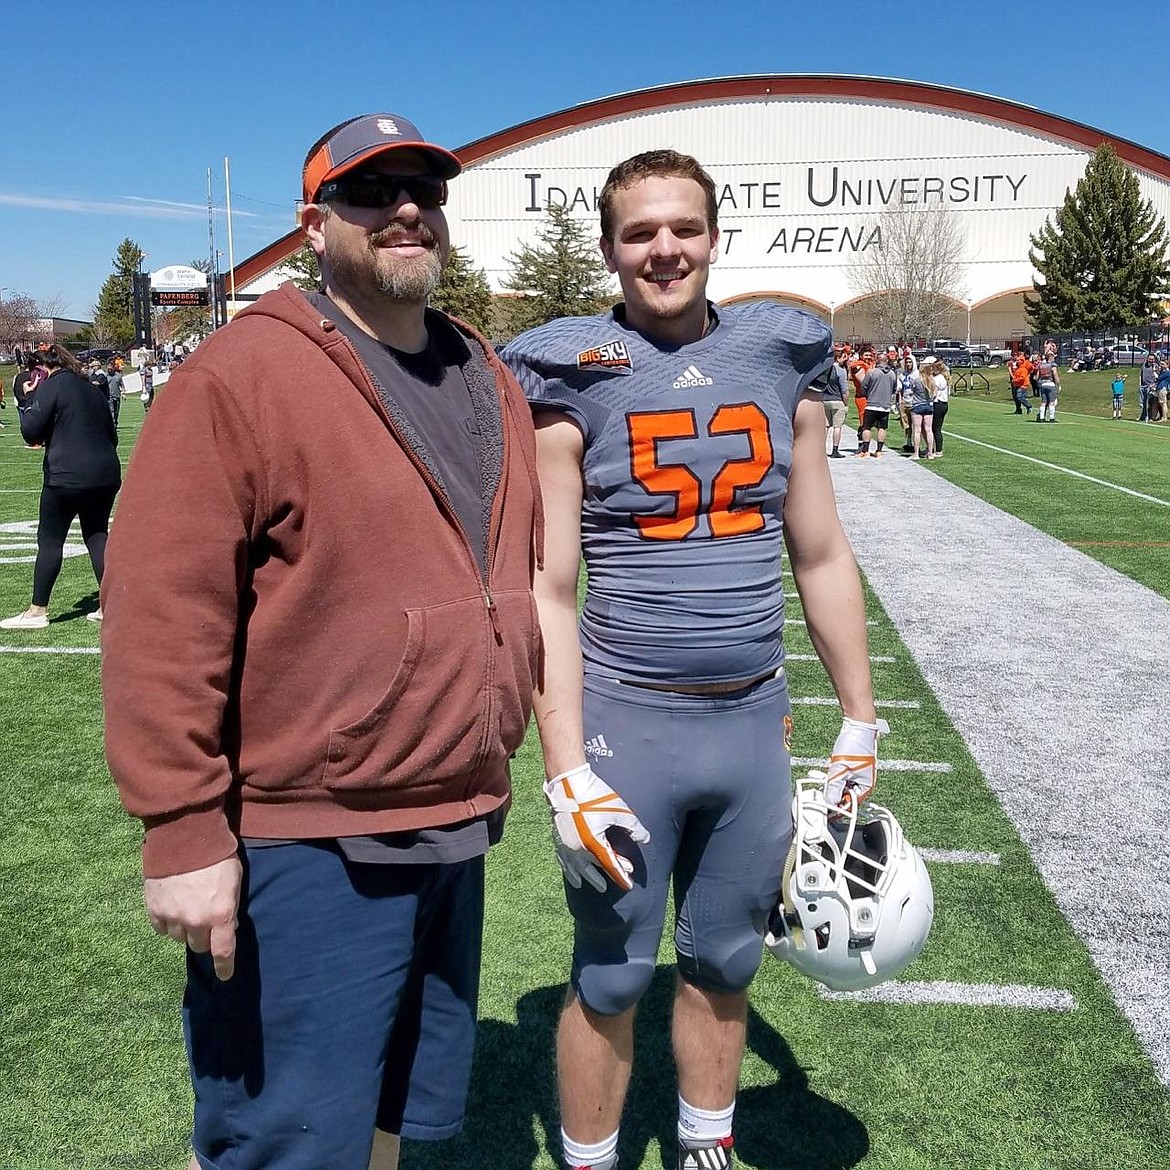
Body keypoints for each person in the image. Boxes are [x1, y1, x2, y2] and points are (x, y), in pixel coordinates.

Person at [99, 112, 541, 1170]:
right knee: (287, 1140)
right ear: (314, 224)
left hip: (454, 813)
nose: (403, 209)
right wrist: (181, 830)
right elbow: (163, 610)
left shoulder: (483, 370)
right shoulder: (241, 375)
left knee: (395, 1121)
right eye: (370, 190)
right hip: (310, 839)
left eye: (422, 190)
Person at [502, 149, 885, 1170]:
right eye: (639, 233)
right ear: (608, 249)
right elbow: (549, 586)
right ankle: (591, 1159)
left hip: (753, 720)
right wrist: (565, 764)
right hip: (631, 720)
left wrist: (859, 715)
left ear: (715, 237)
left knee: (723, 965)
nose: (663, 249)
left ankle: (704, 1147)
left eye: (682, 228)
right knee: (613, 974)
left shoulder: (780, 354)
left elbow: (820, 548)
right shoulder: (570, 369)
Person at [0, 343, 120, 629]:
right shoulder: (91, 388)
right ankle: (110, 605)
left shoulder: (51, 387)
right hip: (105, 473)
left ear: (40, 371)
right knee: (96, 535)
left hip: (66, 476)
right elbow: (111, 435)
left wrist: (30, 399)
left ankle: (37, 610)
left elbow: (31, 432)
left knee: (50, 541)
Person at [857, 348, 896, 457]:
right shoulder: (892, 374)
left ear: (877, 361)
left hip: (872, 404)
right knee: (882, 428)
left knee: (867, 427)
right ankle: (879, 450)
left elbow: (863, 387)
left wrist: (868, 394)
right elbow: (894, 389)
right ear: (886, 361)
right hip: (885, 406)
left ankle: (866, 451)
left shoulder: (871, 372)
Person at [822, 343, 850, 457]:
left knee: (825, 426)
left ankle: (821, 449)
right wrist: (846, 403)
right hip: (837, 400)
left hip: (825, 400)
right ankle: (835, 450)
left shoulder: (823, 370)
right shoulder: (840, 371)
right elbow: (844, 391)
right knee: (837, 427)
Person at [907, 358, 936, 459]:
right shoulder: (932, 380)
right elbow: (934, 395)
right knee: (929, 429)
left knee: (917, 430)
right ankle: (930, 453)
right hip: (928, 406)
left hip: (917, 405)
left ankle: (916, 453)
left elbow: (910, 391)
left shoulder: (916, 380)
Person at [926, 359, 951, 456]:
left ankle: (938, 450)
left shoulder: (938, 379)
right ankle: (936, 449)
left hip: (938, 404)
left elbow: (934, 393)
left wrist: (928, 396)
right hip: (944, 404)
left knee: (935, 428)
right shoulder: (944, 378)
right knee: (936, 428)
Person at [1035, 341, 1060, 422]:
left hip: (1043, 384)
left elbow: (1036, 377)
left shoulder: (1041, 365)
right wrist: (1058, 384)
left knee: (1043, 402)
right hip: (1050, 384)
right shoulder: (1052, 365)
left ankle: (1041, 418)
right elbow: (1055, 375)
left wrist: (1039, 383)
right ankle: (1052, 418)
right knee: (1052, 402)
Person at [1008, 350, 1033, 414]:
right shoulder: (1018, 369)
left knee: (1019, 397)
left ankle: (1029, 406)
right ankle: (1018, 409)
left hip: (1022, 385)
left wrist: (1014, 380)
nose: (1017, 361)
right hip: (1016, 385)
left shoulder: (1023, 369)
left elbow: (1022, 378)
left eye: (1018, 360)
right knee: (1015, 398)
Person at [105, 357, 124, 425]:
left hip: (117, 395)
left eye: (110, 369)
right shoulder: (105, 376)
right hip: (109, 396)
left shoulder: (118, 376)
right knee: (111, 411)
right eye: (108, 369)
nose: (109, 370)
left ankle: (115, 421)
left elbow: (122, 385)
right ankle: (113, 424)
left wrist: (123, 393)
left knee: (116, 411)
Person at [1138, 355, 1156, 422]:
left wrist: (1153, 385)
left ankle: (1149, 417)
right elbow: (1140, 375)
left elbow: (1156, 377)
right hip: (1143, 386)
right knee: (1142, 402)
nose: (1151, 360)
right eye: (1150, 359)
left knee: (1149, 403)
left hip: (1150, 386)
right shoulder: (1143, 366)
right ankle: (1142, 416)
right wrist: (1140, 384)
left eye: (1152, 359)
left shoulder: (1155, 366)